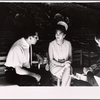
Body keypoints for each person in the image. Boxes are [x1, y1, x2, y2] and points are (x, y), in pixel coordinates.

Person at [48, 21, 72, 86]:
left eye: (60, 33)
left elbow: (70, 58)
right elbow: (51, 60)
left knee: (68, 68)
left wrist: (67, 62)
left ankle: (62, 89)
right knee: (68, 70)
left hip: (66, 65)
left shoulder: (68, 44)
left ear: (64, 35)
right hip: (55, 66)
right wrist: (62, 64)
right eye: (56, 33)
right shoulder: (51, 44)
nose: (57, 35)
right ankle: (63, 90)